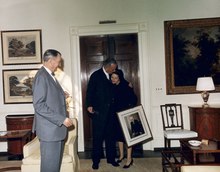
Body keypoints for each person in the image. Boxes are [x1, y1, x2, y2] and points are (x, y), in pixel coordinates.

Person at [32, 49, 73, 172]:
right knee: (50, 168)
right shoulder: (42, 76)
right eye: (58, 62)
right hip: (50, 131)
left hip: (54, 130)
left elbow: (49, 96)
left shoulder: (49, 75)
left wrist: (61, 94)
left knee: (54, 166)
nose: (59, 65)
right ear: (50, 61)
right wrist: (62, 119)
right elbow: (39, 105)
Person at [86, 58, 119, 170]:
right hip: (99, 112)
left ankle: (111, 159)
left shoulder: (113, 76)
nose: (115, 70)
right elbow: (90, 91)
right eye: (113, 68)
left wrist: (120, 83)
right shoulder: (96, 75)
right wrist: (89, 105)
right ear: (108, 66)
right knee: (98, 138)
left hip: (111, 113)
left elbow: (115, 90)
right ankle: (96, 161)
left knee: (111, 137)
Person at [110, 69, 137, 169]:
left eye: (115, 78)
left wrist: (129, 111)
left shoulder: (126, 86)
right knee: (119, 136)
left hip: (125, 115)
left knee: (127, 137)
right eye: (112, 77)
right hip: (115, 115)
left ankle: (129, 159)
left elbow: (134, 99)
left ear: (120, 78)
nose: (113, 79)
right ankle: (121, 155)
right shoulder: (112, 86)